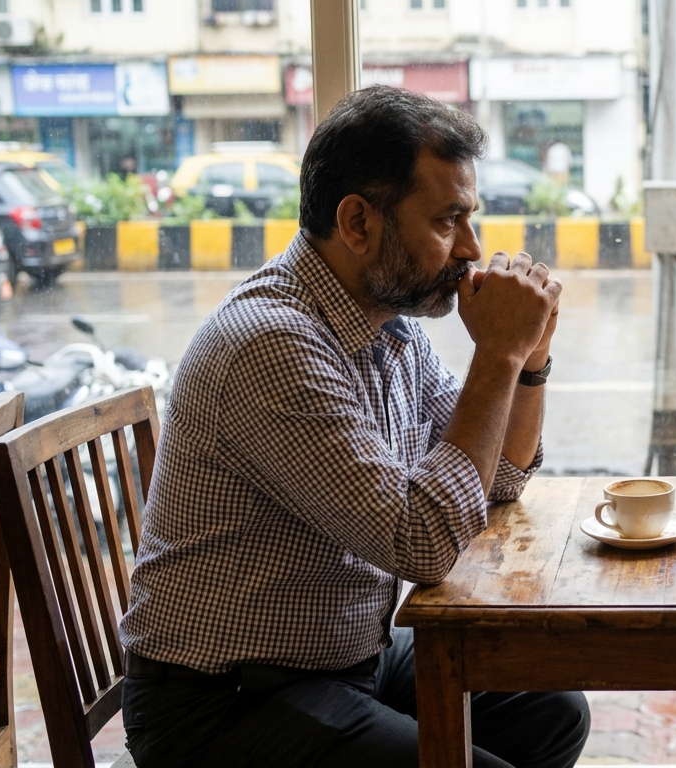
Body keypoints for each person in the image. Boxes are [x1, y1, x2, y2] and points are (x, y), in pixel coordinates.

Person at [118, 85, 590, 768]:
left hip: (339, 656)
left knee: (551, 713)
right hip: (222, 700)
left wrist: (529, 362)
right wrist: (497, 356)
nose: (472, 250)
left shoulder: (386, 324)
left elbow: (499, 480)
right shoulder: (272, 342)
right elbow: (422, 541)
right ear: (358, 223)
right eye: (447, 221)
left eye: (471, 219)